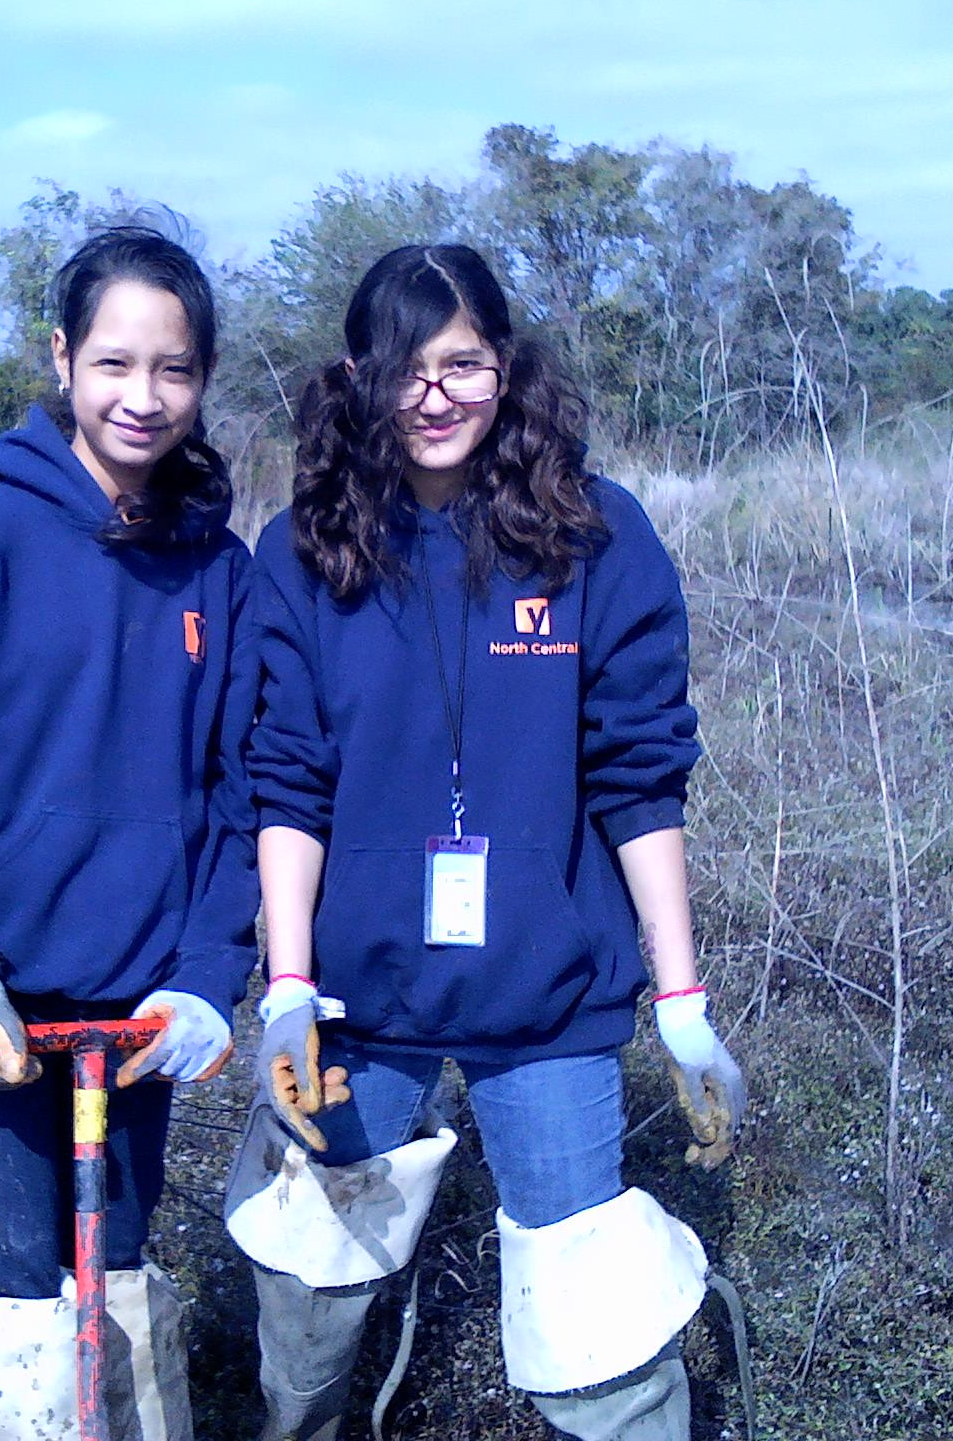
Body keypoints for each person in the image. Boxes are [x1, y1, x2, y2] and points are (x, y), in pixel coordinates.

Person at [226, 245, 746, 1441]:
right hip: (362, 998)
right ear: (357, 377)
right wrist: (289, 989)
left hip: (546, 998)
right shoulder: (300, 552)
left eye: (460, 362)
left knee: (594, 1322)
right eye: (405, 367)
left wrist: (677, 999)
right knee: (308, 1284)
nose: (434, 394)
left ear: (504, 368)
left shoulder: (595, 537)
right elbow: (287, 783)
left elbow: (638, 778)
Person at [0, 224, 257, 1438]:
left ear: (202, 380)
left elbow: (241, 805)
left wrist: (201, 982)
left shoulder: (218, 575)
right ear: (63, 360)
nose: (143, 397)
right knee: (16, 1325)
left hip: (134, 1033)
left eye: (173, 369)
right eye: (114, 364)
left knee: (109, 1301)